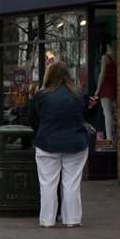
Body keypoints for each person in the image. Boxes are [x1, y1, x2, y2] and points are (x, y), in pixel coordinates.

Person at [31, 60, 90, 228]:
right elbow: (83, 116)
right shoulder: (79, 94)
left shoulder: (41, 96)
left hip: (47, 142)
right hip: (75, 143)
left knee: (48, 183)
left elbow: (33, 119)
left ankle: (47, 220)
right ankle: (72, 219)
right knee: (71, 183)